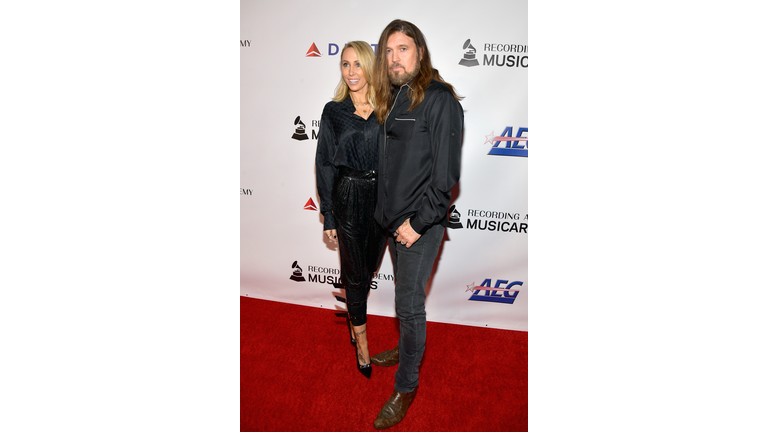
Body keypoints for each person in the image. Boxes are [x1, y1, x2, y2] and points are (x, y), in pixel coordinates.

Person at [369, 20, 464, 429]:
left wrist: (418, 224)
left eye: (403, 49)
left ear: (420, 53)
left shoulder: (440, 100)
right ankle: (405, 346)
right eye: (388, 52)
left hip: (419, 228)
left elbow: (445, 179)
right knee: (404, 301)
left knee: (409, 305)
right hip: (394, 222)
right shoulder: (393, 98)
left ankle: (406, 385)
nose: (394, 59)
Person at [315, 41, 388, 379]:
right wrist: (328, 212)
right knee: (356, 274)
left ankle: (353, 316)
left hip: (382, 198)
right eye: (346, 65)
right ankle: (362, 343)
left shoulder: (387, 106)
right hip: (348, 194)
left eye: (358, 64)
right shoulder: (334, 111)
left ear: (371, 67)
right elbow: (326, 164)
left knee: (370, 266)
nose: (352, 72)